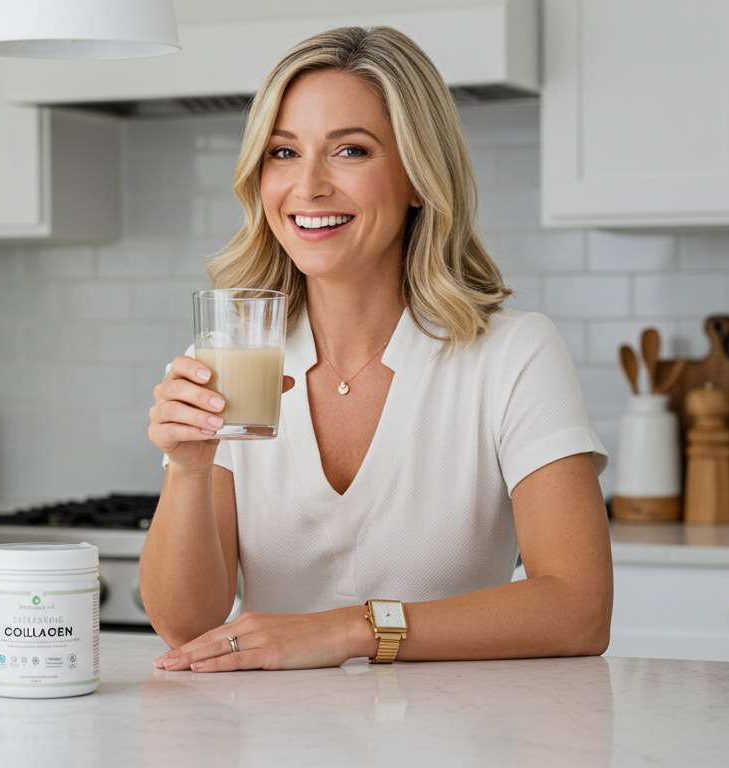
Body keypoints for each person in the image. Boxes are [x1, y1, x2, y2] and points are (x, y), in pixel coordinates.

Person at [141, 26, 613, 672]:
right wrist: (190, 471)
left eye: (350, 151)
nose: (307, 186)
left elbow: (579, 609)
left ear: (419, 176)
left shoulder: (513, 355)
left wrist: (351, 630)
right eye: (283, 153)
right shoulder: (233, 353)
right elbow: (186, 627)